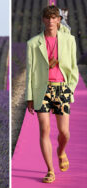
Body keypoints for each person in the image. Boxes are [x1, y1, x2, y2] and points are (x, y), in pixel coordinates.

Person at [25, 5, 79, 183]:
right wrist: (30, 97)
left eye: (54, 18)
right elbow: (30, 72)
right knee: (44, 129)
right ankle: (50, 170)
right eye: (47, 18)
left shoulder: (69, 40)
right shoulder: (33, 43)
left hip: (61, 88)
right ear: (43, 20)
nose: (50, 21)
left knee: (65, 132)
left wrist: (69, 88)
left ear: (58, 20)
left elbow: (73, 67)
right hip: (42, 89)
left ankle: (61, 151)